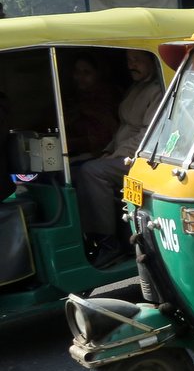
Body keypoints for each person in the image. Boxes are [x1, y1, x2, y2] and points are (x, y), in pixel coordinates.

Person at [76, 50, 163, 267]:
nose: (132, 64)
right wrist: (108, 151)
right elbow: (122, 129)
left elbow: (148, 135)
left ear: (152, 61)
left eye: (137, 60)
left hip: (142, 159)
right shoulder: (136, 88)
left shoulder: (157, 91)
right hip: (122, 153)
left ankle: (108, 243)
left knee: (92, 172)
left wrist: (116, 154)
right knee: (78, 168)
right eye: (129, 60)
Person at [64, 54, 121, 158]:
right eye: (77, 72)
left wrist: (67, 143)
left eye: (86, 72)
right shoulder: (75, 97)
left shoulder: (108, 98)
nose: (80, 77)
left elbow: (104, 136)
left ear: (99, 74)